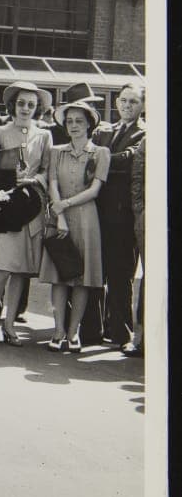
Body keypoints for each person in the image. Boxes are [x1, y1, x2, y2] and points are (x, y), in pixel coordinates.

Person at [0, 82, 52, 347]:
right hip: (6, 208)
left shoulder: (43, 136)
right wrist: (10, 177)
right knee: (4, 268)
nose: (26, 109)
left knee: (20, 271)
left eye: (31, 104)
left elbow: (46, 170)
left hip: (31, 208)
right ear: (12, 106)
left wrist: (33, 180)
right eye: (21, 103)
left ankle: (9, 326)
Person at [40, 100, 110, 353]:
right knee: (60, 276)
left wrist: (65, 204)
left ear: (89, 124)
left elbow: (95, 190)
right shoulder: (56, 151)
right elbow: (53, 182)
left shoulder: (100, 153)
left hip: (87, 219)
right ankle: (58, 330)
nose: (74, 126)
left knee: (81, 278)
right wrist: (59, 214)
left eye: (79, 121)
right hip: (60, 216)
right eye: (69, 121)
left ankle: (73, 332)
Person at [92, 83, 146, 346]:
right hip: (97, 210)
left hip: (123, 215)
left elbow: (129, 159)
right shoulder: (104, 131)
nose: (127, 106)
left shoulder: (144, 134)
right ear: (116, 103)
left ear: (143, 105)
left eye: (133, 102)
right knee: (95, 270)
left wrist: (100, 160)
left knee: (120, 274)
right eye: (123, 100)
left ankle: (120, 331)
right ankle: (93, 328)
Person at [123, 135, 145, 357]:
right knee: (151, 278)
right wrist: (140, 211)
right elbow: (137, 178)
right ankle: (140, 337)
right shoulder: (150, 140)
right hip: (151, 219)